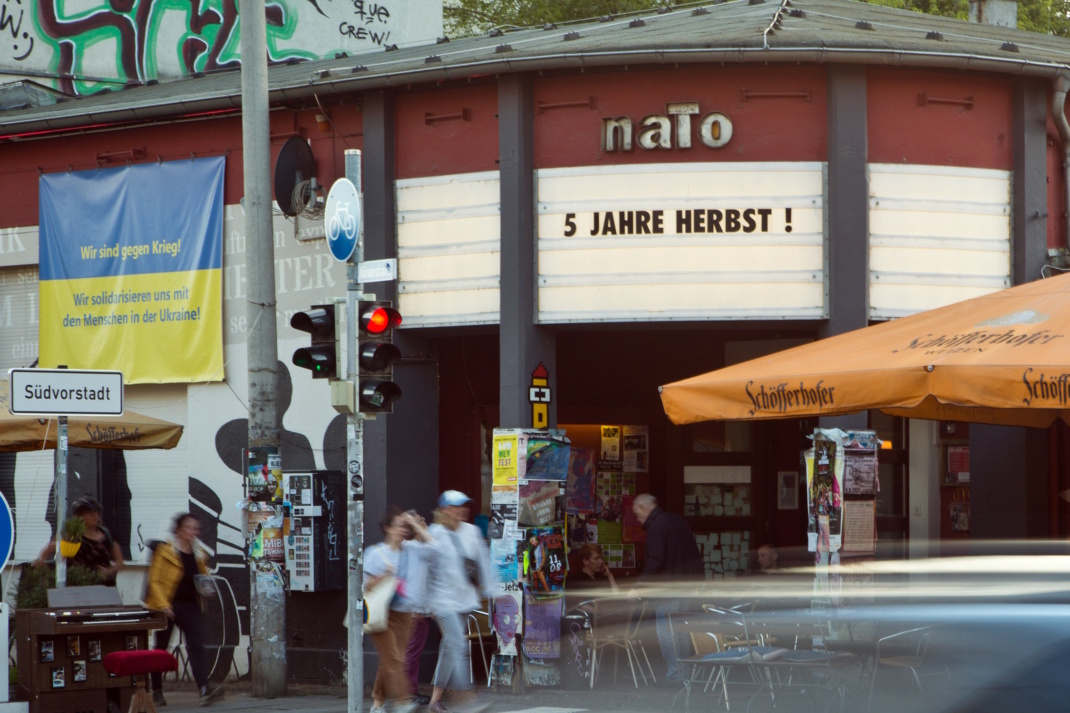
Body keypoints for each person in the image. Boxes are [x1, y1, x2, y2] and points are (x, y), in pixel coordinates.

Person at [422, 490, 493, 713]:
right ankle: (466, 699)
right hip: (441, 601)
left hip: (464, 600)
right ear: (444, 510)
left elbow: (483, 561)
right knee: (458, 645)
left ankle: (435, 701)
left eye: (464, 505)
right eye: (456, 506)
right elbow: (424, 570)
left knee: (449, 648)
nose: (462, 509)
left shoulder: (472, 531)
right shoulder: (434, 534)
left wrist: (491, 591)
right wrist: (426, 603)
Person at [144, 513, 224, 707]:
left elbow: (201, 578)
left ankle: (204, 689)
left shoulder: (197, 553)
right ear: (178, 529)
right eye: (189, 527)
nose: (194, 532)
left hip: (190, 606)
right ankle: (156, 689)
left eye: (196, 528)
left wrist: (207, 589)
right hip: (168, 605)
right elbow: (154, 580)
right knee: (161, 649)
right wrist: (164, 605)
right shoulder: (164, 550)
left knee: (196, 646)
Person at [365, 507, 433, 713]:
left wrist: (414, 524)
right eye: (399, 526)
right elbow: (364, 586)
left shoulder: (412, 550)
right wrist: (382, 577)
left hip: (404, 613)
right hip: (380, 612)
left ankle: (377, 703)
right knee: (394, 658)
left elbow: (435, 548)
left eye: (405, 527)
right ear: (387, 528)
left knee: (391, 660)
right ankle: (403, 701)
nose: (402, 531)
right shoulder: (375, 553)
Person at [631, 493, 703, 683]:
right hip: (685, 586)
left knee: (666, 632)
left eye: (638, 515)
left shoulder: (657, 526)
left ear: (644, 508)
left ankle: (675, 674)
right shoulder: (678, 521)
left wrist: (640, 585)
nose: (638, 520)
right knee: (680, 631)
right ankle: (684, 673)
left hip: (666, 588)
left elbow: (655, 560)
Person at [36, 496, 123, 585]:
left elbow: (119, 561)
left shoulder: (107, 535)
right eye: (89, 513)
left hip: (103, 585)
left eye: (95, 512)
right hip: (77, 585)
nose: (94, 516)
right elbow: (48, 550)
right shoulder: (71, 535)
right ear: (79, 516)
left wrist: (108, 571)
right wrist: (41, 563)